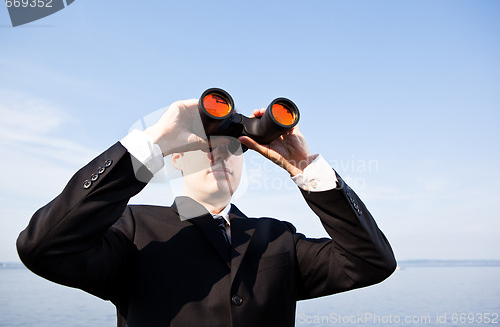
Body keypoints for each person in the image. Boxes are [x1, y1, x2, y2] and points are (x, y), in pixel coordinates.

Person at [17, 98, 396, 327]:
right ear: (176, 158)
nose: (220, 154)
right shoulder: (133, 228)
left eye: (234, 149)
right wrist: (152, 142)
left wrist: (307, 168)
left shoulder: (278, 238)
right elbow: (43, 247)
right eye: (206, 145)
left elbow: (371, 262)